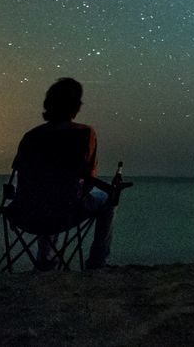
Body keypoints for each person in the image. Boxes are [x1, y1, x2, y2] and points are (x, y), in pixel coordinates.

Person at [11, 77, 116, 270]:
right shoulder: (84, 133)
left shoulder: (31, 136)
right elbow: (88, 179)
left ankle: (46, 260)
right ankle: (98, 262)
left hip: (26, 212)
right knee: (108, 198)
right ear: (75, 106)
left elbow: (20, 175)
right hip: (65, 211)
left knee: (47, 196)